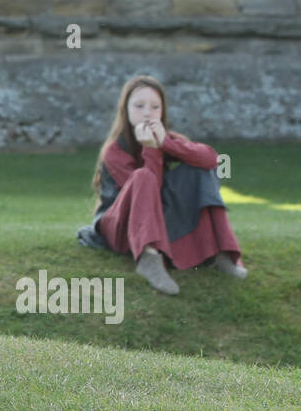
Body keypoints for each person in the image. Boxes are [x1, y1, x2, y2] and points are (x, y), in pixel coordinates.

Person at [87, 74, 247, 296]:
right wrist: (151, 149)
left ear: (162, 112)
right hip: (121, 225)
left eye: (155, 107)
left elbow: (211, 158)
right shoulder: (113, 151)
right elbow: (144, 195)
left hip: (157, 219)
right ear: (126, 109)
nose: (147, 112)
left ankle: (218, 253)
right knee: (143, 176)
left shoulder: (167, 137)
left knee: (200, 167)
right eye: (139, 106)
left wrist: (165, 143)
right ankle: (149, 258)